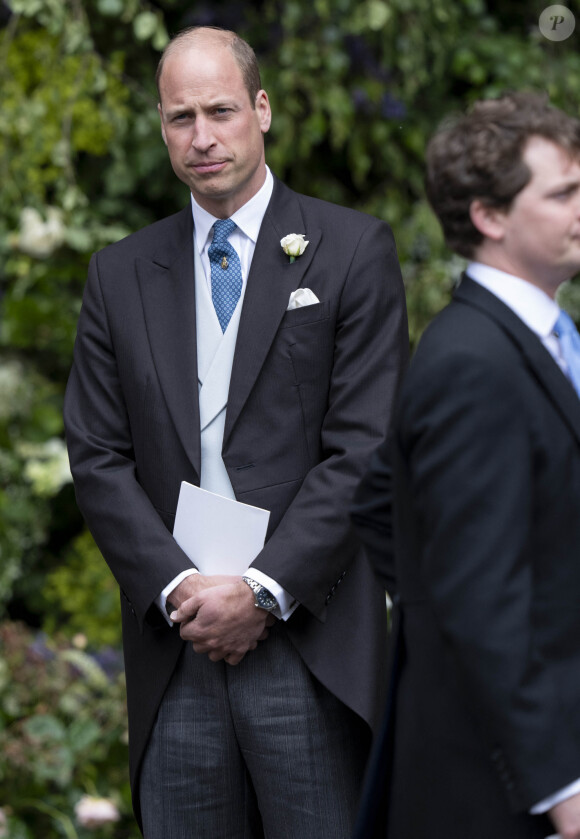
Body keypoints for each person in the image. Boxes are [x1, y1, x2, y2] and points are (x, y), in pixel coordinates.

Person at [63, 25, 408, 839]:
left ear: (262, 108)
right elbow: (98, 455)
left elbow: (364, 446)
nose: (202, 137)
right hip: (175, 644)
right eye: (180, 117)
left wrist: (260, 590)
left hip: (308, 640)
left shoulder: (352, 250)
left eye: (220, 110)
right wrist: (181, 589)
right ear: (161, 127)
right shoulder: (120, 273)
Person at [351, 91, 580, 839]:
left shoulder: (533, 334)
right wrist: (559, 780)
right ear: (489, 216)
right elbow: (482, 593)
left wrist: (429, 598)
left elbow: (382, 496)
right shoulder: (472, 360)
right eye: (564, 193)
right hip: (505, 782)